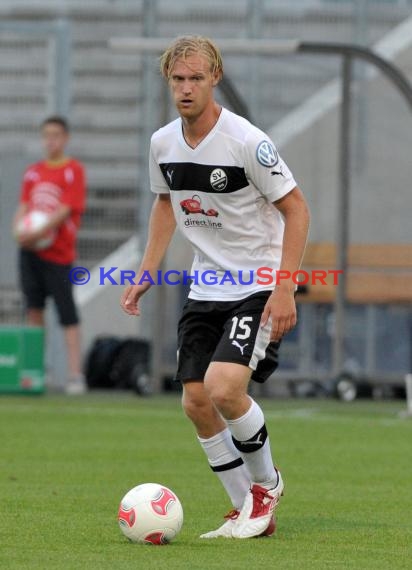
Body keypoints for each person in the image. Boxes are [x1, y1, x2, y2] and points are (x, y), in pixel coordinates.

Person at [121, 36, 310, 539]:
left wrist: (285, 287)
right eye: (178, 79)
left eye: (196, 78)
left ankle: (266, 486)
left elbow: (297, 209)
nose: (186, 88)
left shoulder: (248, 141)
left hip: (257, 284)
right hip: (206, 286)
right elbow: (165, 204)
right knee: (195, 402)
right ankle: (244, 509)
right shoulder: (163, 142)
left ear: (215, 77)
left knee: (225, 388)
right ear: (168, 81)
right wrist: (145, 271)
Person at [13, 116, 87, 395]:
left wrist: (38, 231)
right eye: (46, 135)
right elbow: (24, 205)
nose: (50, 140)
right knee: (33, 308)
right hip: (30, 252)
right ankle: (35, 370)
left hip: (59, 254)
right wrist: (18, 230)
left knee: (67, 313)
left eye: (56, 135)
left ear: (65, 138)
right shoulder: (33, 172)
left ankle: (75, 375)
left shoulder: (73, 171)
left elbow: (65, 210)